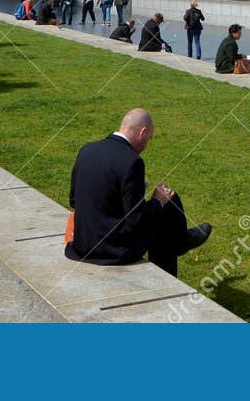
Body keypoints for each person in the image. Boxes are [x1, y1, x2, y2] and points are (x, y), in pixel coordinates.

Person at [65, 108, 212, 276]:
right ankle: (179, 246)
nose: (146, 146)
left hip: (83, 245)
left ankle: (181, 241)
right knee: (168, 204)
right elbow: (137, 221)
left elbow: (74, 200)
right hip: (112, 250)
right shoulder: (132, 161)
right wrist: (157, 200)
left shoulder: (87, 150)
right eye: (148, 139)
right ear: (142, 132)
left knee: (161, 210)